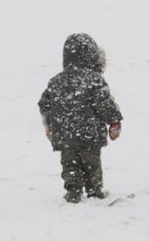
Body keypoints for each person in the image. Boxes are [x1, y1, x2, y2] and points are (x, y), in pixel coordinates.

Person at [38, 33, 123, 203]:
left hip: (65, 135)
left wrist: (49, 125)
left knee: (69, 165)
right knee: (92, 164)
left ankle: (73, 191)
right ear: (91, 57)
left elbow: (44, 104)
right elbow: (104, 103)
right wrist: (114, 121)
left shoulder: (56, 81)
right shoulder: (94, 80)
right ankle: (94, 190)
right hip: (89, 135)